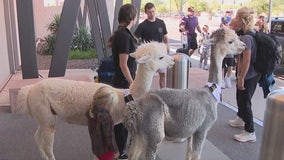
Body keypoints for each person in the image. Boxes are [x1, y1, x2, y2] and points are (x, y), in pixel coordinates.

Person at [108, 3, 138, 159]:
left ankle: (121, 150)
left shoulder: (121, 33)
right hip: (123, 84)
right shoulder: (124, 36)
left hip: (120, 82)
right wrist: (133, 83)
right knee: (122, 119)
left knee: (122, 117)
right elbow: (123, 64)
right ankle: (122, 152)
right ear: (132, 18)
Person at [229, 7, 261, 143]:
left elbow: (246, 59)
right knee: (240, 97)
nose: (234, 19)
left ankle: (250, 131)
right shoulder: (248, 33)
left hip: (249, 75)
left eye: (236, 17)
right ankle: (241, 119)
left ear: (242, 20)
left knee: (245, 101)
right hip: (249, 74)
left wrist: (241, 78)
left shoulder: (247, 37)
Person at [134, 2, 169, 88]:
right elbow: (134, 38)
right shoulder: (142, 25)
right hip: (149, 56)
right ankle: (146, 93)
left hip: (160, 54)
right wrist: (140, 48)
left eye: (153, 11)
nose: (152, 14)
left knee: (163, 75)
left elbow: (165, 36)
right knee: (148, 76)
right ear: (146, 12)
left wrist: (167, 46)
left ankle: (163, 92)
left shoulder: (161, 22)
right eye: (149, 12)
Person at [86, 86, 119, 160]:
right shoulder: (106, 118)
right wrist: (115, 151)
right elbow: (109, 137)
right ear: (106, 104)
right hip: (106, 151)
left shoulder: (91, 109)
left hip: (96, 148)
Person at [220, 12, 234, 89]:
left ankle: (227, 78)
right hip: (222, 51)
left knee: (230, 66)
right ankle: (221, 80)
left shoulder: (232, 31)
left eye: (227, 23)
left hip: (230, 51)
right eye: (224, 23)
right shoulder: (220, 30)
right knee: (222, 66)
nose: (226, 24)